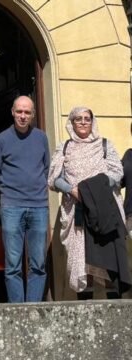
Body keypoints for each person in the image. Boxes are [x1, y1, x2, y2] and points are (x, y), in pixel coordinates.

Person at [48, 106, 131, 299]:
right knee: (82, 258)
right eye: (79, 119)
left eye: (87, 118)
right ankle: (85, 304)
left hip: (104, 209)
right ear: (72, 122)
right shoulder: (64, 147)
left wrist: (94, 190)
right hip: (76, 208)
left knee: (108, 254)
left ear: (93, 122)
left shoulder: (105, 145)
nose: (84, 122)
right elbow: (54, 178)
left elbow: (117, 172)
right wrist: (74, 191)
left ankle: (112, 304)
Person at [0, 95, 50, 303]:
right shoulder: (1, 140)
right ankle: (18, 309)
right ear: (12, 112)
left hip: (39, 206)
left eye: (27, 112)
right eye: (19, 111)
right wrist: (10, 192)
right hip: (12, 206)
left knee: (38, 263)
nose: (23, 116)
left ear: (33, 114)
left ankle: (32, 308)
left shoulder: (41, 138)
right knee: (13, 263)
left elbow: (47, 168)